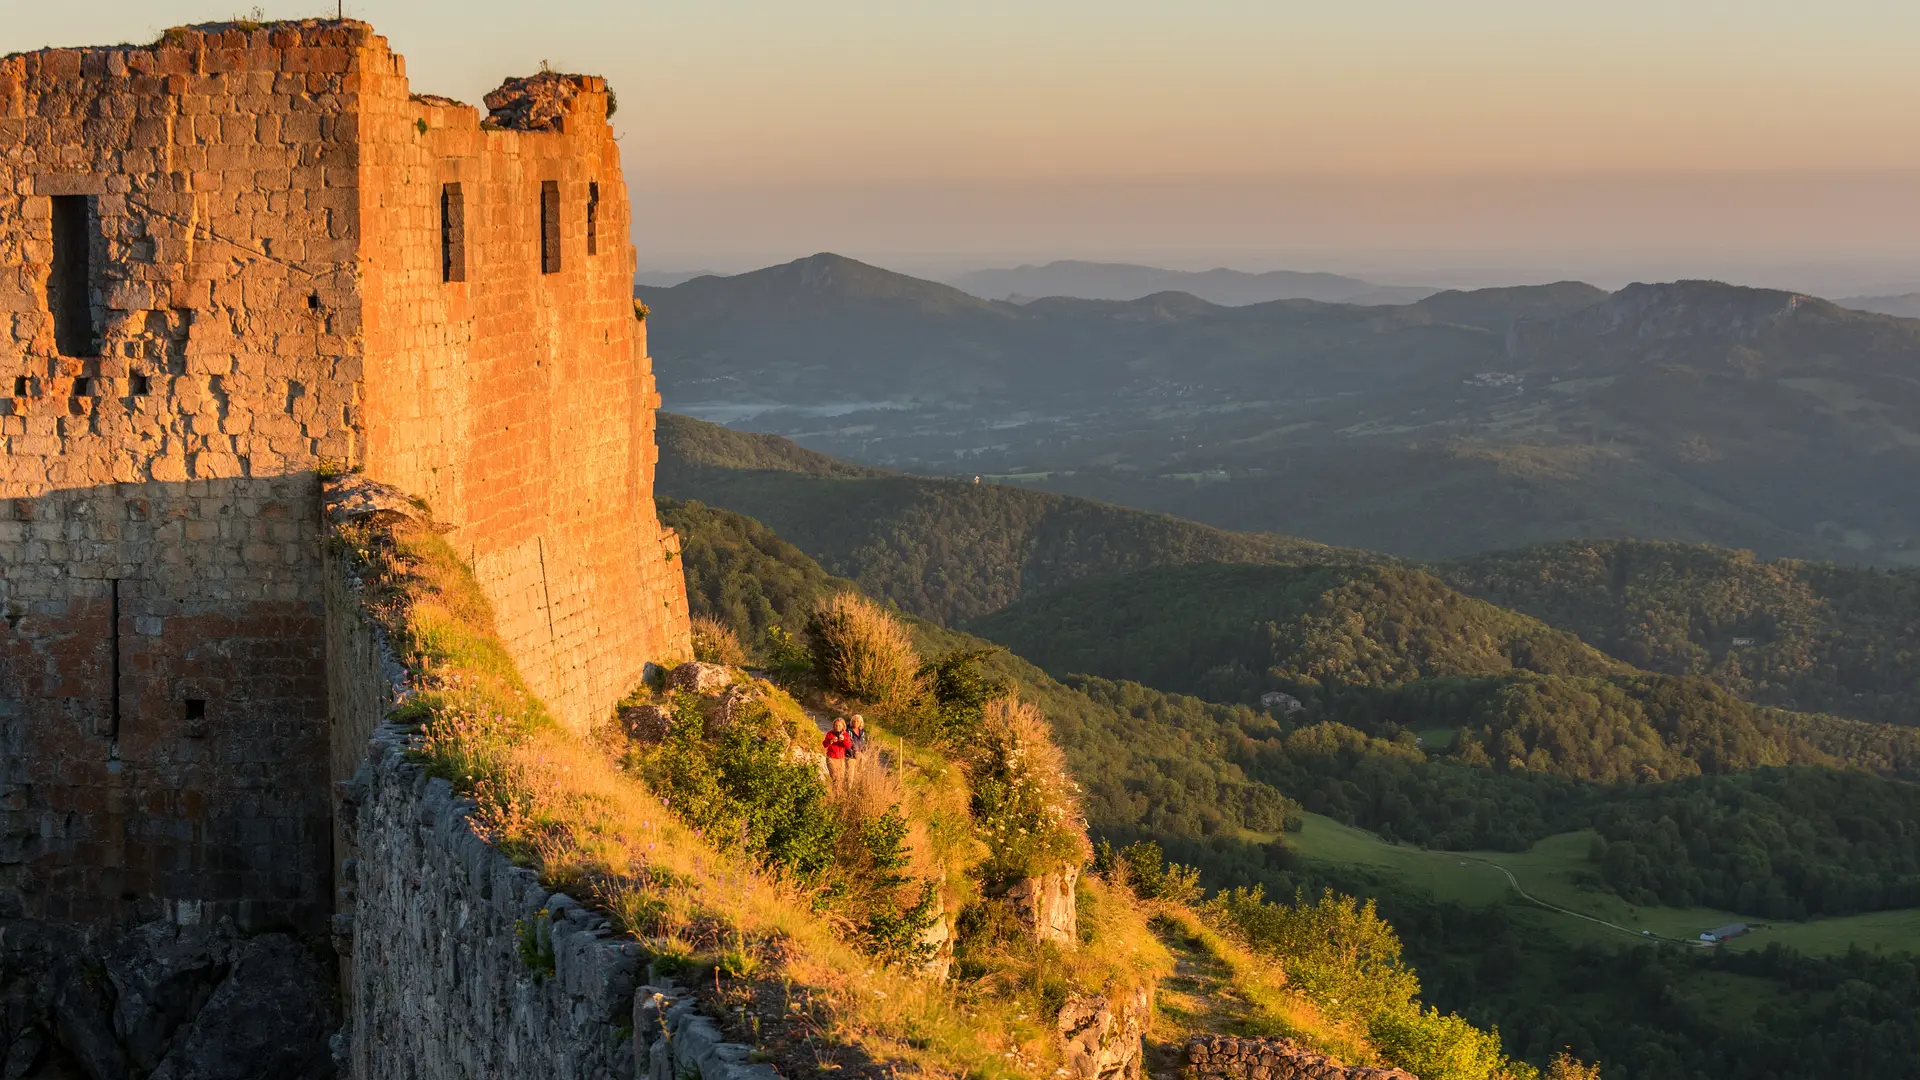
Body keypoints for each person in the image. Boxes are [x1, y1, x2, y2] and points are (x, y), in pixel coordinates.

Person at [822, 717, 851, 787]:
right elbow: (824, 744)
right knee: (835, 778)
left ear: (843, 726)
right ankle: (836, 794)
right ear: (834, 726)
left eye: (839, 726)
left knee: (841, 778)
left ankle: (837, 796)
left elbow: (849, 746)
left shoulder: (845, 734)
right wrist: (831, 741)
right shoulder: (830, 733)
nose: (837, 727)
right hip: (831, 758)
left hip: (841, 759)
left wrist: (843, 739)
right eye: (836, 725)